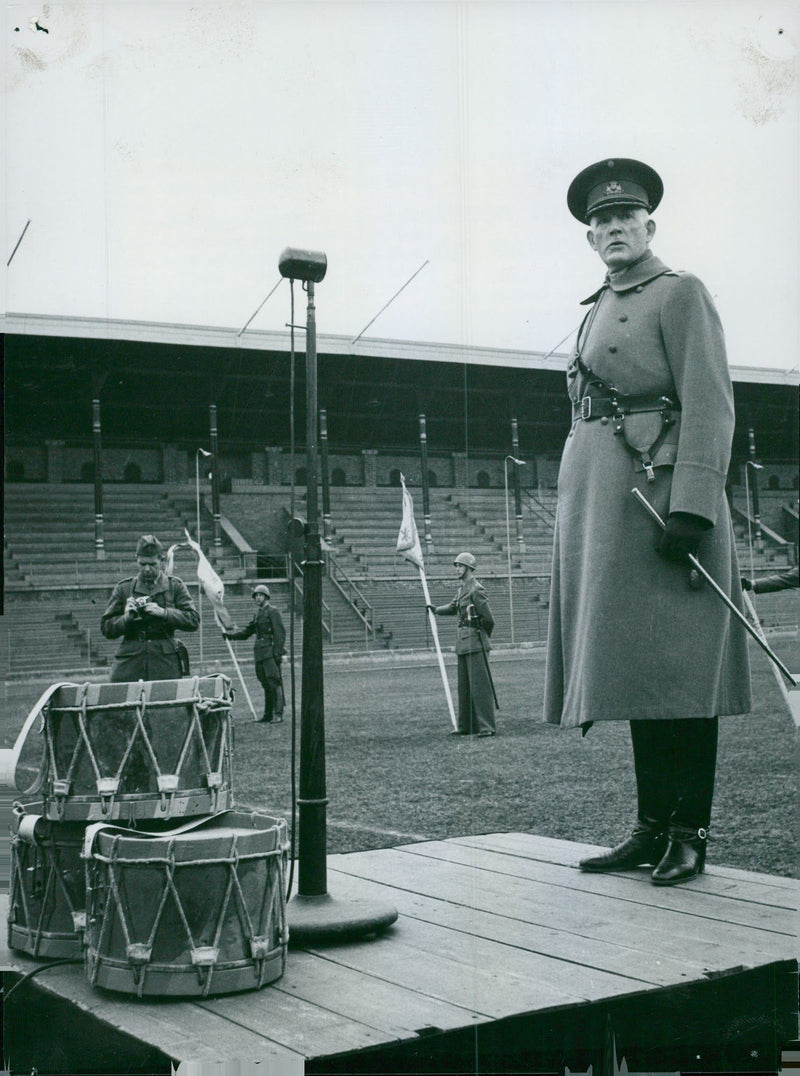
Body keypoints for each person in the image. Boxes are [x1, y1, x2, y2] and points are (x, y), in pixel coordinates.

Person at [544, 158, 752, 886]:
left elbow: (710, 399)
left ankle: (689, 832)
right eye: (599, 222)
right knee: (638, 671)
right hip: (608, 511)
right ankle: (650, 826)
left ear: (649, 225)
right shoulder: (595, 305)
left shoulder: (680, 292)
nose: (611, 229)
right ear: (590, 238)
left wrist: (693, 505)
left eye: (624, 217)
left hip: (663, 505)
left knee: (681, 675)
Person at [101, 534, 199, 683]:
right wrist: (126, 618)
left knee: (168, 703)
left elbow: (193, 620)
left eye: (152, 564)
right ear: (137, 561)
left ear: (161, 561)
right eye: (142, 564)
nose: (147, 569)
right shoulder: (124, 588)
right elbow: (106, 628)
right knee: (123, 703)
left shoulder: (175, 586)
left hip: (165, 663)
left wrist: (165, 613)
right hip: (129, 663)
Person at [428, 553, 497, 737]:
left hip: (476, 643)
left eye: (459, 566)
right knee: (464, 687)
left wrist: (483, 637)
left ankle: (487, 726)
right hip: (463, 644)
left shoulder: (476, 589)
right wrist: (435, 610)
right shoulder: (461, 590)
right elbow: (452, 607)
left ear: (468, 567)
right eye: (456, 566)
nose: (457, 569)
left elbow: (489, 620)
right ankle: (466, 726)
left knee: (480, 687)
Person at [223, 584, 286, 723]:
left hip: (270, 652)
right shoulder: (257, 614)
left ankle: (278, 714)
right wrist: (230, 636)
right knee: (265, 683)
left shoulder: (273, 611)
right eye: (256, 595)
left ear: (266, 597)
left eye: (260, 595)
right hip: (259, 653)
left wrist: (277, 654)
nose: (258, 598)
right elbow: (247, 632)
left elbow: (280, 634)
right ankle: (267, 714)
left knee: (274, 682)